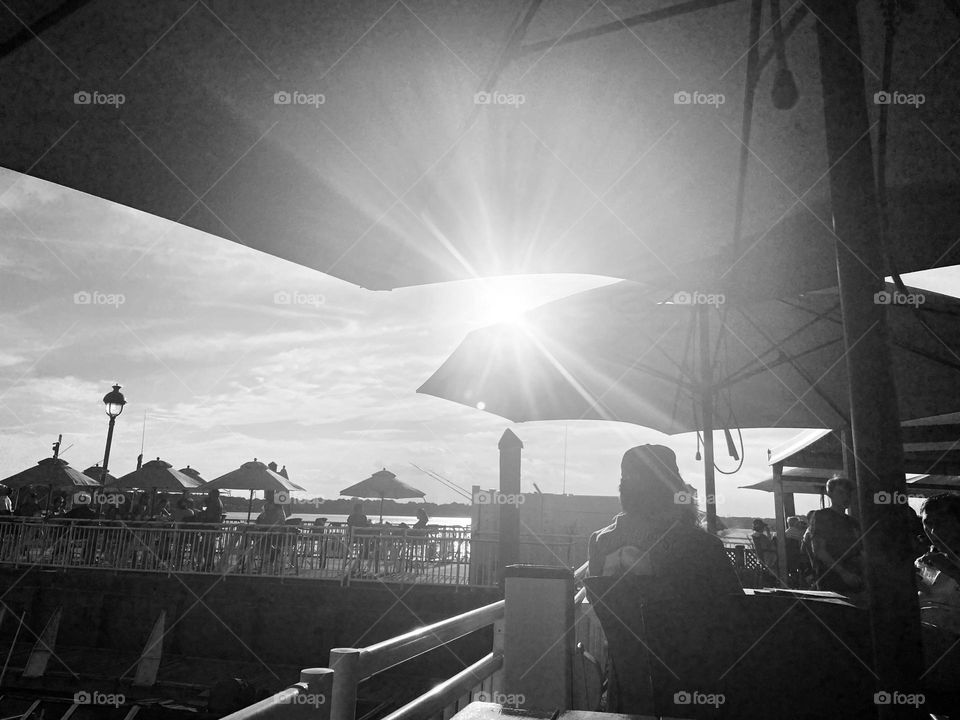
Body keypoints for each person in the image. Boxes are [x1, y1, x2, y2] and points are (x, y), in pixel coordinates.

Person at [587, 444, 742, 599]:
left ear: (623, 490)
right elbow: (738, 610)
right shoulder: (703, 545)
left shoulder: (600, 541)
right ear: (674, 489)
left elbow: (598, 605)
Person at [807, 476, 862, 597]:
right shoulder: (822, 516)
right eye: (840, 492)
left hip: (855, 579)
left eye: (848, 493)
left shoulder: (853, 522)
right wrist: (844, 573)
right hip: (831, 579)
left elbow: (860, 551)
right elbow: (819, 550)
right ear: (830, 493)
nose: (845, 497)